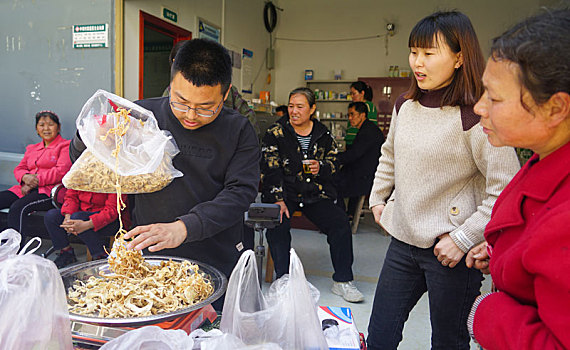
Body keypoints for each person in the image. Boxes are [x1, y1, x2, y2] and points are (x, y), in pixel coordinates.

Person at [366, 11, 521, 350]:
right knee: (379, 336)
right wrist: (377, 199)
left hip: (450, 253)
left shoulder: (476, 113)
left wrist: (464, 237)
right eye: (413, 52)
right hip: (402, 244)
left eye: (429, 53)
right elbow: (389, 155)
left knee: (448, 343)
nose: (417, 63)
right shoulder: (405, 105)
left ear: (459, 57)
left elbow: (506, 188)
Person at [70, 39, 261, 309]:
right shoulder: (141, 116)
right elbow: (82, 162)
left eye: (206, 107)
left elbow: (241, 193)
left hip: (216, 257)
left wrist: (185, 227)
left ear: (226, 92)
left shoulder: (239, 130)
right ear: (171, 83)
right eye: (181, 102)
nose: (191, 115)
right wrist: (90, 134)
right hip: (149, 260)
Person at [465, 9, 570, 349]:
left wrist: (487, 312)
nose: (480, 107)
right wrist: (502, 253)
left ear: (555, 108)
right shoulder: (544, 158)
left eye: (494, 98)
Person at [260, 87, 364, 303]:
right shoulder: (275, 133)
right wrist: (278, 199)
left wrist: (322, 167)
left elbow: (335, 162)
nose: (294, 111)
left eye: (300, 107)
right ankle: (283, 281)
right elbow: (270, 168)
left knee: (339, 223)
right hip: (286, 193)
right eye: (291, 106)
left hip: (315, 193)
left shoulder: (323, 134)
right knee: (278, 224)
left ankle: (343, 281)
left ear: (312, 109)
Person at [0, 111, 71, 241]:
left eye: (50, 124)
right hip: (25, 189)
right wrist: (25, 178)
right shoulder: (32, 148)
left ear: (58, 127)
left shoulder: (65, 146)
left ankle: (15, 251)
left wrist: (35, 181)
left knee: (18, 208)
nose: (46, 128)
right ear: (37, 129)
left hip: (50, 192)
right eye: (42, 125)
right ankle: (3, 245)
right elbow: (20, 168)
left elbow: (61, 171)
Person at [43, 189, 128, 268]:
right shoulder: (79, 175)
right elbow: (71, 197)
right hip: (80, 214)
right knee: (51, 216)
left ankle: (100, 256)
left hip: (109, 220)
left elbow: (112, 211)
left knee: (77, 217)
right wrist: (68, 219)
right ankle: (66, 252)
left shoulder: (114, 176)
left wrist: (86, 225)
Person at [336, 101, 385, 219]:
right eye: (348, 115)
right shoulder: (367, 128)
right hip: (364, 172)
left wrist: (334, 159)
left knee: (332, 184)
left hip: (366, 178)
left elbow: (354, 154)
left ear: (362, 115)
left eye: (352, 114)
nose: (350, 118)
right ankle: (346, 214)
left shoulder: (368, 132)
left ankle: (340, 218)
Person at [345, 81, 378, 146]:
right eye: (350, 94)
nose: (352, 96)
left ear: (362, 93)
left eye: (354, 94)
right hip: (350, 142)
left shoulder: (368, 106)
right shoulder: (353, 106)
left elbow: (371, 128)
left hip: (360, 143)